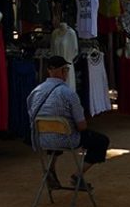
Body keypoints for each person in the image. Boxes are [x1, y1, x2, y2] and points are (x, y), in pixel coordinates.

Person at [27, 55, 110, 190]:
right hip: (67, 140)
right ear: (63, 71)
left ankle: (50, 170)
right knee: (101, 141)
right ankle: (78, 175)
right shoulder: (68, 93)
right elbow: (82, 125)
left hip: (42, 139)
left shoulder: (35, 92)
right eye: (65, 69)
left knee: (55, 134)